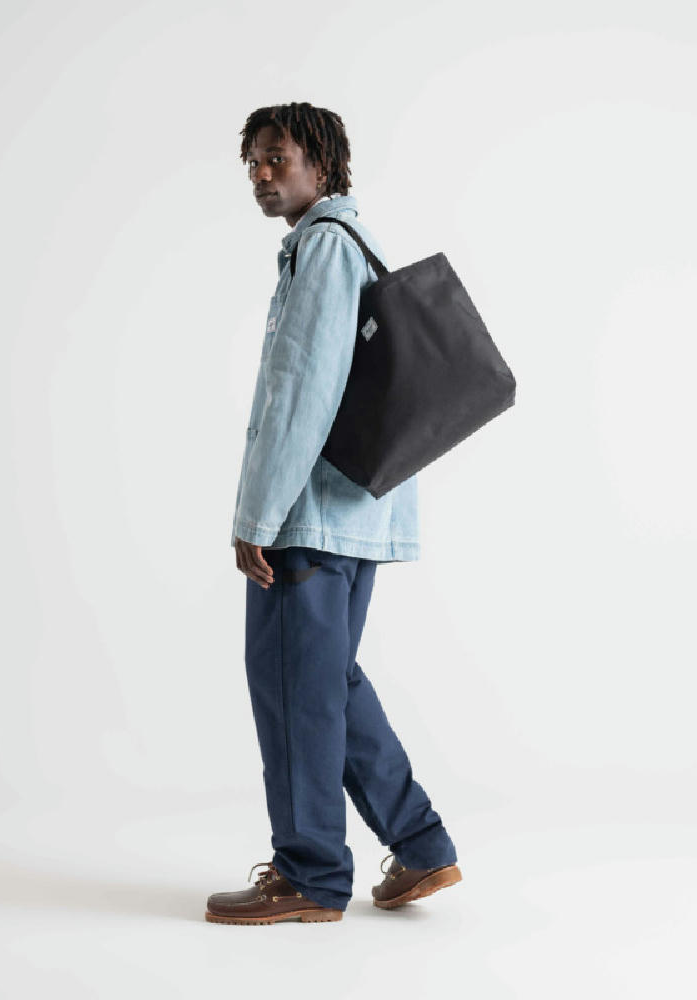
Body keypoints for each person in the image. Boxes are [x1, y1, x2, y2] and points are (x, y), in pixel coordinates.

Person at [206, 102, 461, 926]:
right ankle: (420, 846)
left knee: (294, 689)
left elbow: (301, 393)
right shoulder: (353, 243)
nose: (261, 173)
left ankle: (309, 875)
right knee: (325, 684)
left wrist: (257, 517)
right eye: (252, 161)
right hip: (351, 515)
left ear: (322, 161)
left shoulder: (321, 246)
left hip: (308, 518)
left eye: (276, 157)